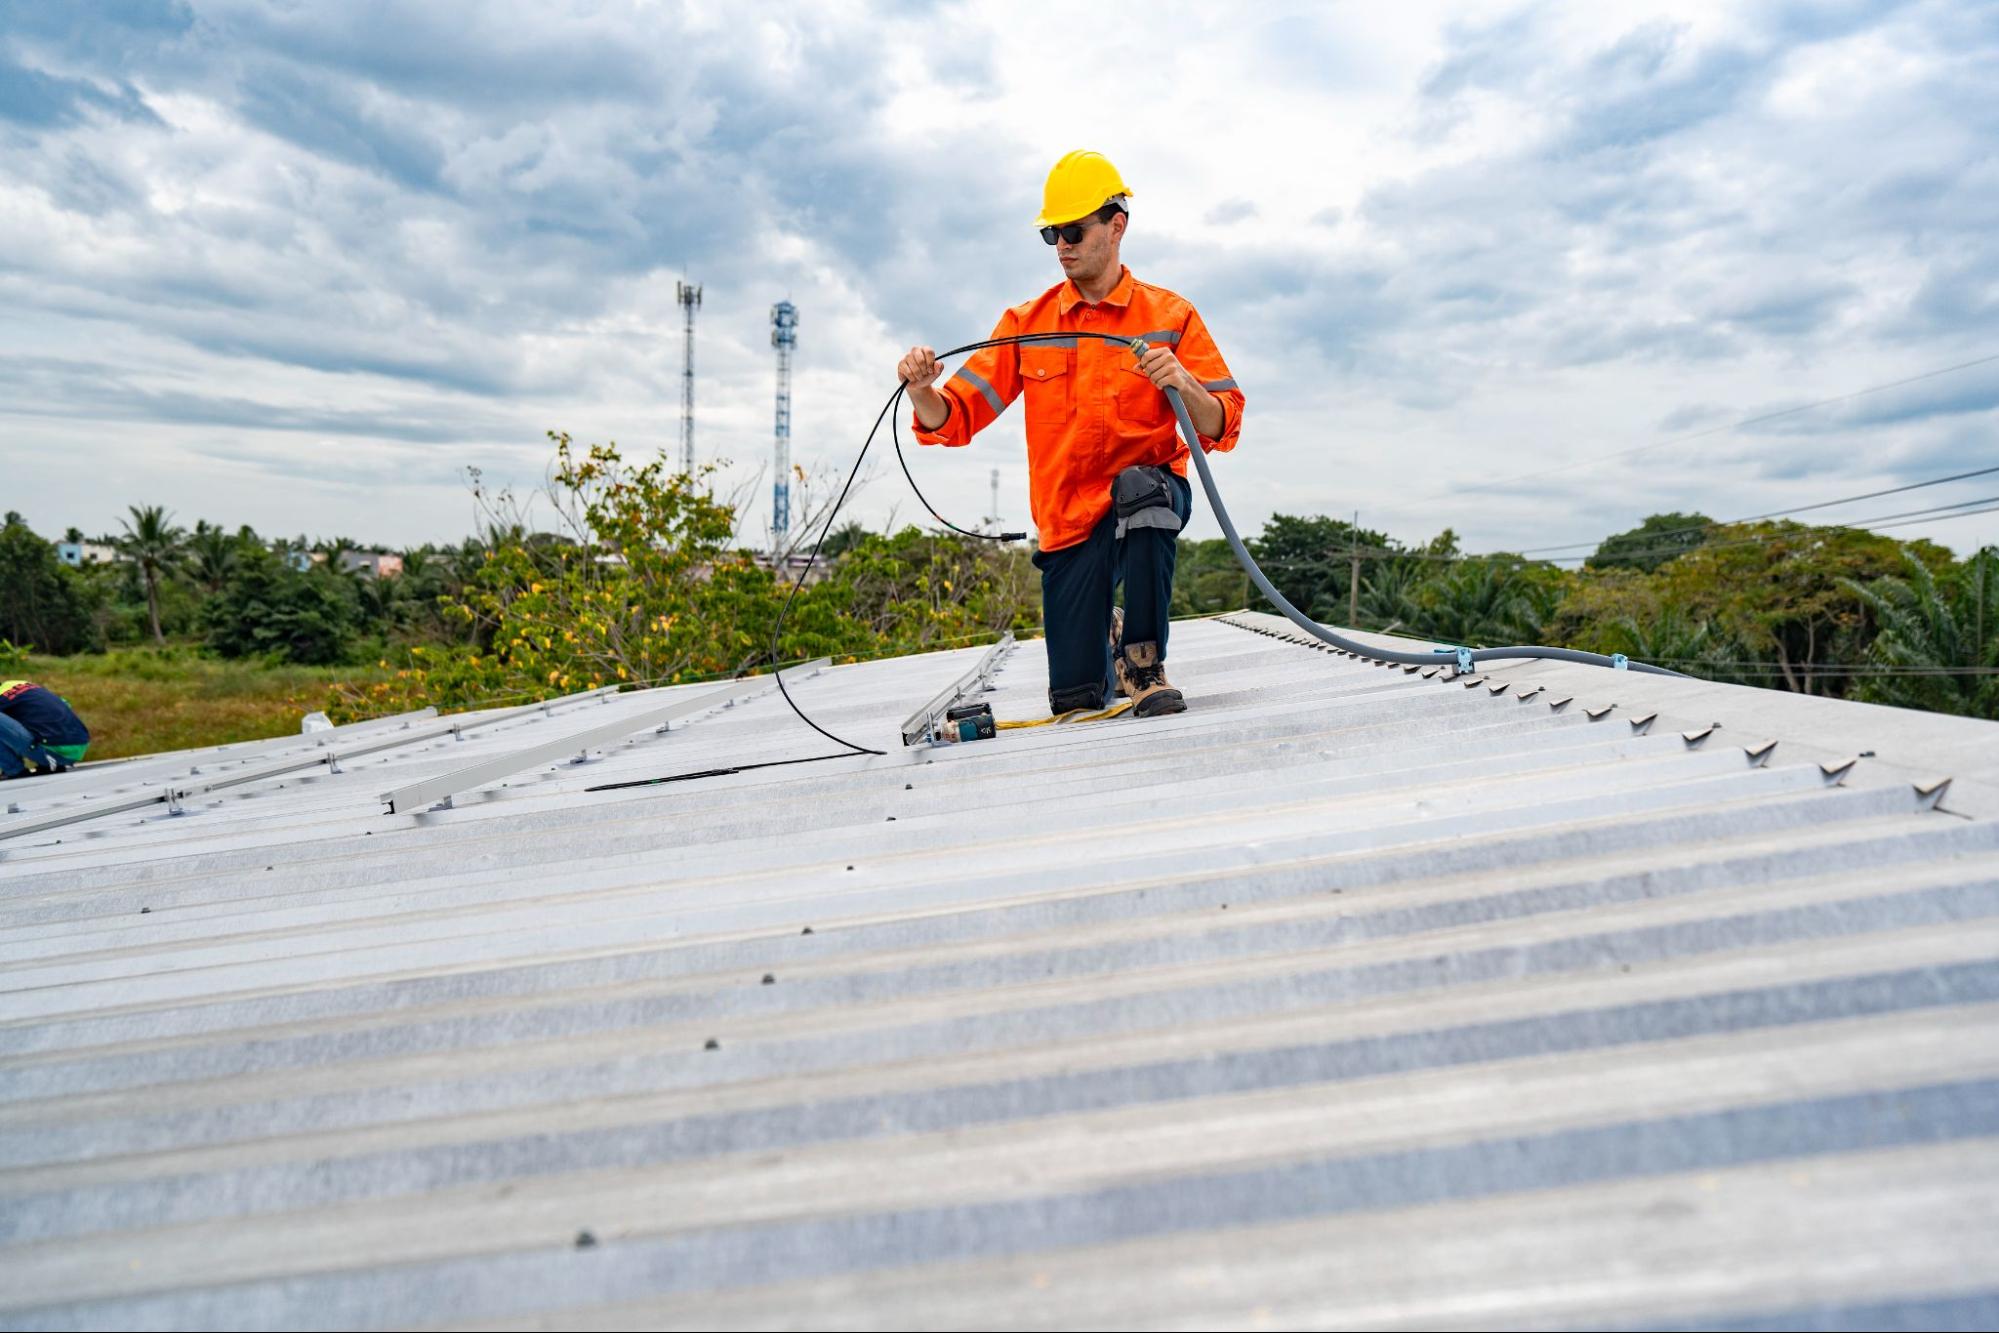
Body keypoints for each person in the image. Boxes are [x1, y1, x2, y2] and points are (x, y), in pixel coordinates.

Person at [897, 150, 1245, 718]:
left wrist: (1184, 382)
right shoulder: (1026, 326)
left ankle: (1142, 662)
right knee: (1077, 700)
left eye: (1075, 229)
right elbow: (954, 416)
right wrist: (921, 390)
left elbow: (1223, 422)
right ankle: (1102, 642)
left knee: (1143, 491)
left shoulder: (1171, 316)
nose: (1063, 243)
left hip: (1147, 495)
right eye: (1053, 233)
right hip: (1067, 522)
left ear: (1116, 226)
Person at [0, 678, 91, 779]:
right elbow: (64, 704)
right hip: (79, 746)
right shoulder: (18, 684)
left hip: (52, 752)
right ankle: (49, 763)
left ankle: (13, 770)